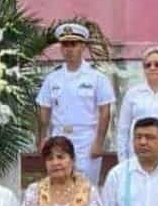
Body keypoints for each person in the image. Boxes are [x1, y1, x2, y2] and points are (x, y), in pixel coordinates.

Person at [36, 23, 115, 184]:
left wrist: (98, 143)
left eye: (74, 44)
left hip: (86, 139)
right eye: (65, 44)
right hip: (59, 137)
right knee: (59, 183)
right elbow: (44, 110)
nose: (69, 49)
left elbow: (105, 112)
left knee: (86, 187)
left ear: (83, 46)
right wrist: (43, 138)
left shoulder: (97, 78)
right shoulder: (53, 78)